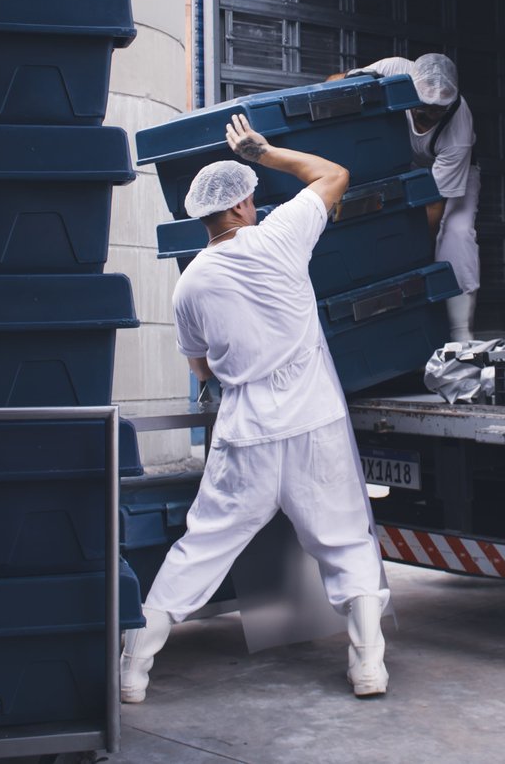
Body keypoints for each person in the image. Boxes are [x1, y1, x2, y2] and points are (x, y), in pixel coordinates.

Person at [121, 113, 391, 703]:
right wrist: (263, 153)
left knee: (204, 546)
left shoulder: (189, 284)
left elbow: (203, 370)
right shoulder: (279, 238)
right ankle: (368, 663)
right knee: (344, 542)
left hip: (246, 433)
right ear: (243, 205)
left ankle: (135, 666)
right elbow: (334, 175)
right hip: (313, 425)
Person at [347, 53, 480, 341]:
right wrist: (354, 81)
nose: (426, 114)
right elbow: (335, 83)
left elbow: (433, 203)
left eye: (436, 110)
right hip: (405, 164)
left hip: (453, 176)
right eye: (422, 104)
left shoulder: (458, 130)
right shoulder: (394, 69)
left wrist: (415, 255)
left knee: (457, 233)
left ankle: (460, 333)